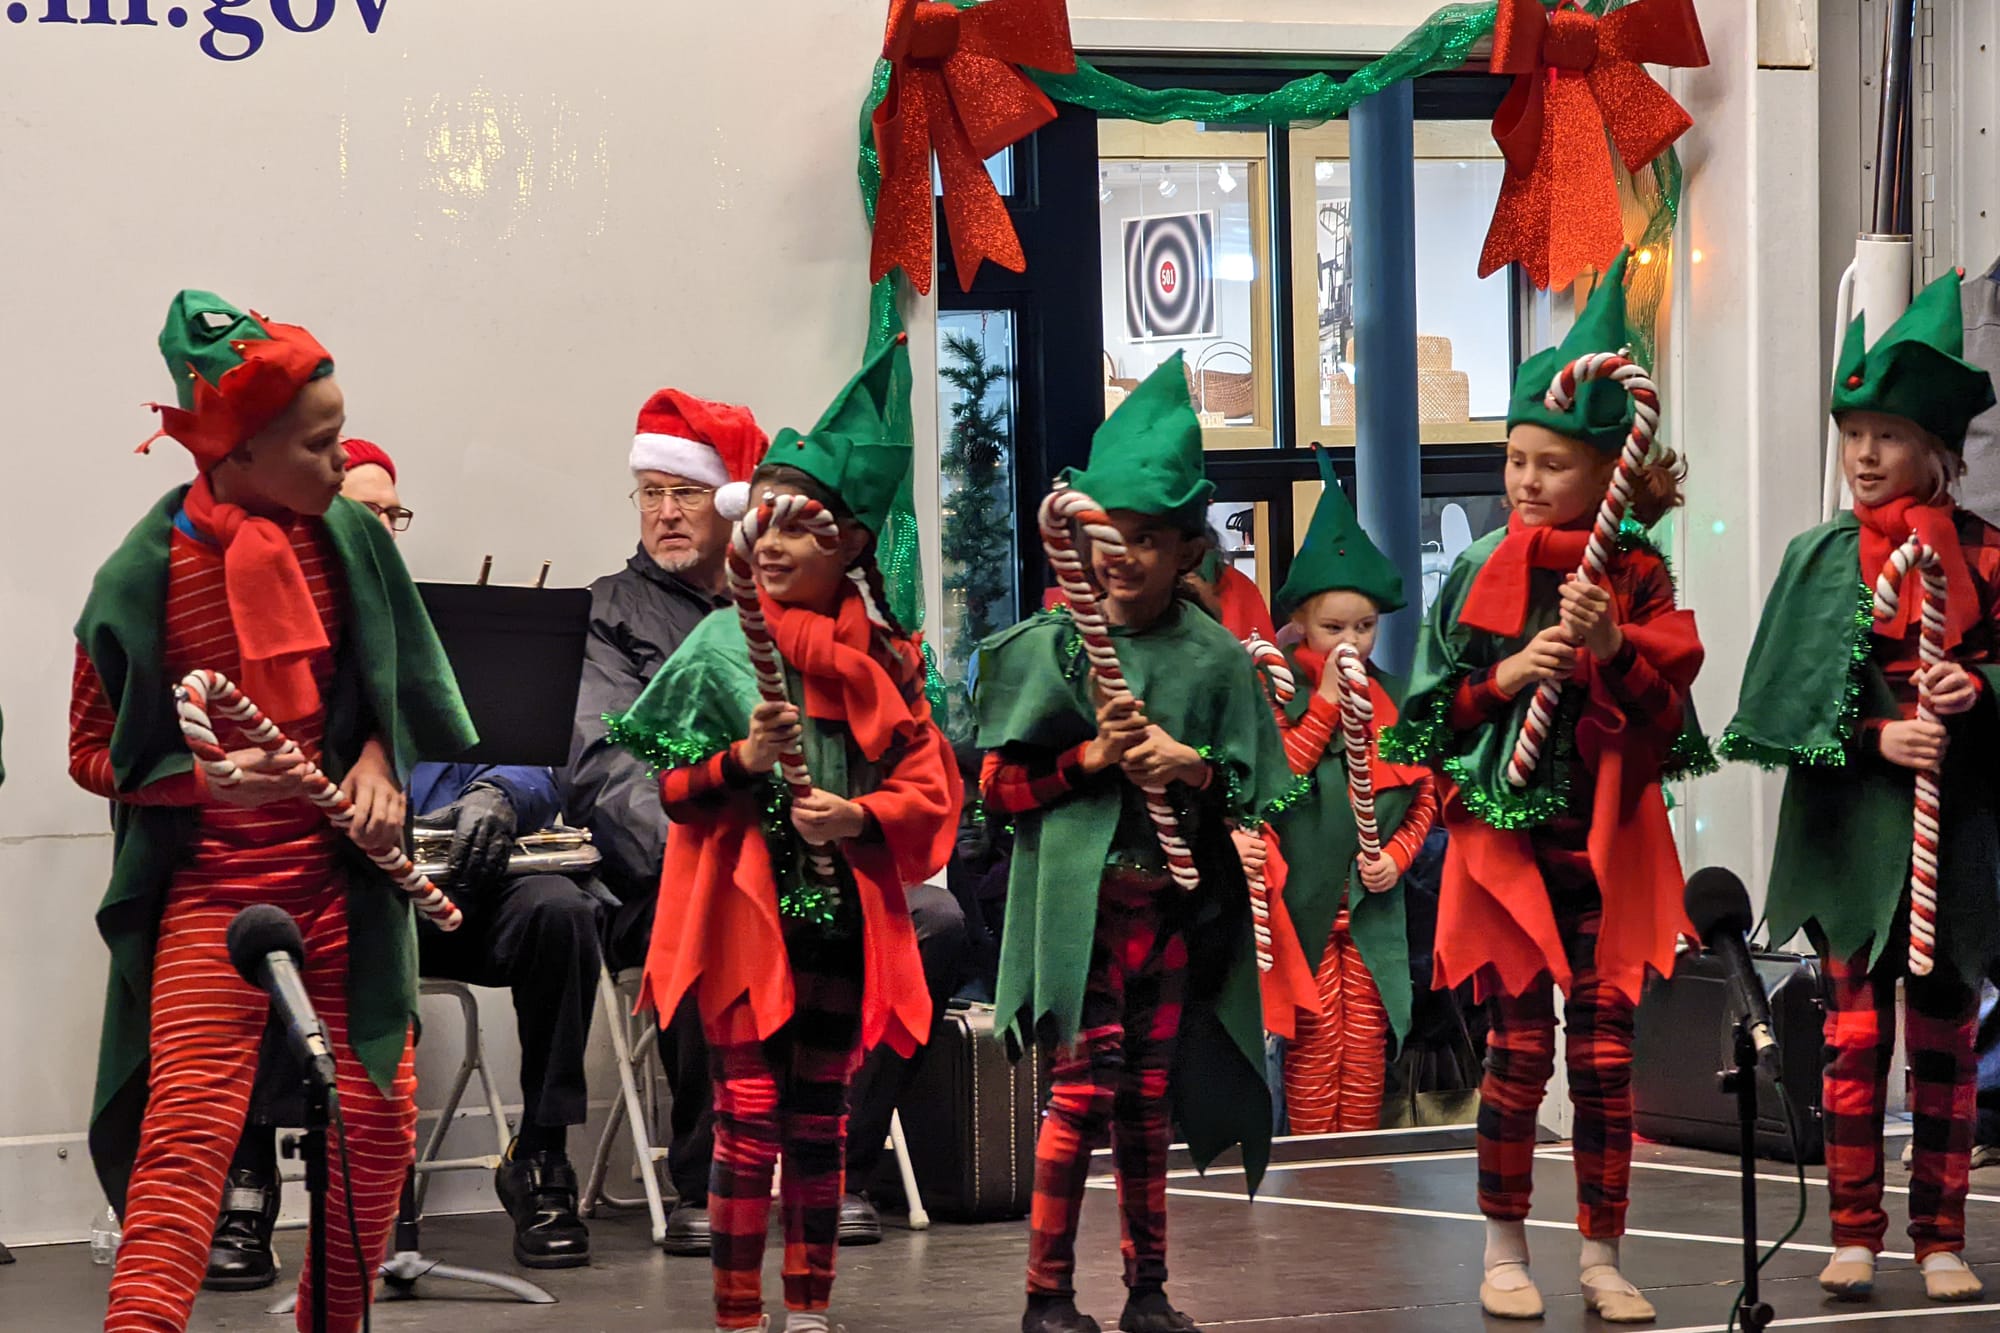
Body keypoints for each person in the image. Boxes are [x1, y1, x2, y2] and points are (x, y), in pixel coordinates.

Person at [73, 291, 476, 1333]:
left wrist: (382, 765)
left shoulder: (352, 541)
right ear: (236, 451)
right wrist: (197, 780)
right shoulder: (141, 578)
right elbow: (89, 752)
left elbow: (400, 694)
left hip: (340, 886)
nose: (342, 463)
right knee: (186, 1138)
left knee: (375, 1128)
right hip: (213, 897)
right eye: (318, 444)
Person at [607, 335, 962, 1333]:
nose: (766, 540)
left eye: (795, 526)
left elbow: (930, 790)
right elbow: (673, 787)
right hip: (741, 920)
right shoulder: (720, 646)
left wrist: (859, 814)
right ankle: (736, 1314)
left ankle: (806, 1309)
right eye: (757, 516)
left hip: (842, 922)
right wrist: (744, 762)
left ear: (847, 546)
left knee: (819, 1125)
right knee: (748, 1121)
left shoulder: (886, 659)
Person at [1381, 251, 1707, 1323]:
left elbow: (1667, 724)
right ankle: (1503, 1245)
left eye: (1551, 463)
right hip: (1506, 856)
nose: (1524, 480)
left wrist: (1613, 650)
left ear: (1607, 470)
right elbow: (1425, 719)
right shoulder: (1479, 570)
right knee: (1517, 1055)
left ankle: (1603, 1251)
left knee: (1605, 1061)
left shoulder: (1637, 575)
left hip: (1603, 850)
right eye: (1516, 458)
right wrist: (1505, 677)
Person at [199, 439, 601, 1283]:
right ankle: (251, 1174)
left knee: (561, 912)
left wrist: (499, 794)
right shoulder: (277, 631)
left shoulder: (445, 630)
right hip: (345, 897)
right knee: (265, 917)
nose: (382, 527)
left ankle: (541, 1156)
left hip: (460, 887)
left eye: (394, 514)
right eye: (364, 511)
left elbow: (536, 754)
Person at [973, 354, 1296, 1333]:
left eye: (1147, 537)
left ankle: (1146, 1290)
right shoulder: (1048, 649)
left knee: (1148, 1104)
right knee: (1079, 1094)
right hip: (1080, 919)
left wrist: (1189, 765)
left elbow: (1255, 789)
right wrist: (1090, 758)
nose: (1121, 554)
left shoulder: (1214, 660)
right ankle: (1046, 1295)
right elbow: (999, 793)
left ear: (1189, 548)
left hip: (1169, 913)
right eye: (1108, 532)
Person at [1721, 268, 2000, 1305]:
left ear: (1937, 450)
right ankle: (1850, 1230)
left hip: (1951, 839)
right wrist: (1880, 735)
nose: (1865, 454)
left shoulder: (1986, 556)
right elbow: (1778, 703)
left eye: (1887, 435)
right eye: (1852, 435)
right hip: (1849, 841)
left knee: (1944, 1041)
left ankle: (1938, 1234)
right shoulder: (1820, 560)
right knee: (1849, 1041)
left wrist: (1977, 689)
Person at [1264, 450, 1439, 1135]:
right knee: (1311, 1050)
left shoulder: (1395, 699)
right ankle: (1315, 1181)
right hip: (1303, 914)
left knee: (1365, 1049)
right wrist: (1325, 706)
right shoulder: (1277, 693)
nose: (1351, 641)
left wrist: (1397, 855)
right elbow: (1276, 788)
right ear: (1302, 623)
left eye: (1364, 626)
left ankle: (1359, 1176)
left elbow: (1423, 798)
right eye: (1334, 627)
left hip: (1371, 915)